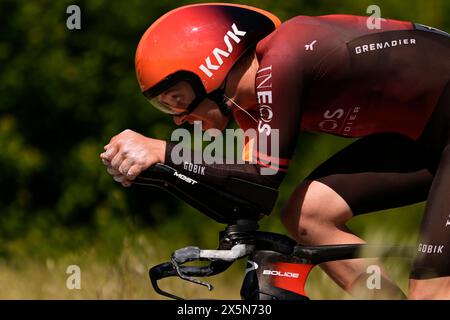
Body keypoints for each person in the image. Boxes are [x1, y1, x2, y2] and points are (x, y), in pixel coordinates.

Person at [100, 3, 450, 299]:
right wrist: (161, 175)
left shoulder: (286, 56)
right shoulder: (248, 108)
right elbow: (249, 195)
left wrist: (165, 151)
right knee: (307, 214)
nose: (178, 120)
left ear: (210, 68)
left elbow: (262, 178)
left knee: (430, 291)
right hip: (426, 135)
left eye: (176, 100)